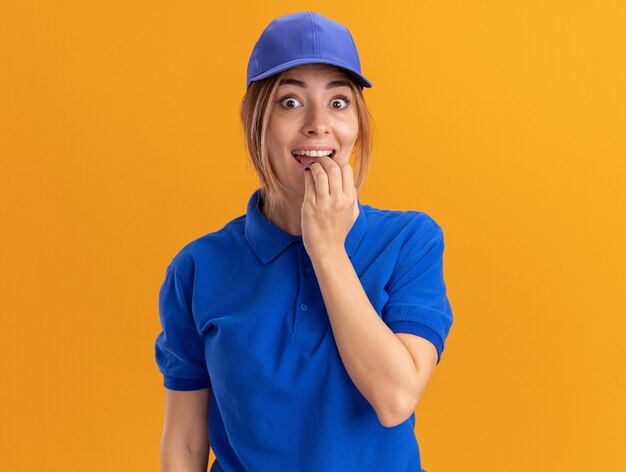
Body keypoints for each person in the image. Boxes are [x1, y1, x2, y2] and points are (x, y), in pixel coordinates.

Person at [155, 11, 454, 472]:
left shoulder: (410, 241)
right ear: (257, 121)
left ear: (358, 123)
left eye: (338, 103)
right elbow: (186, 443)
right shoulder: (198, 268)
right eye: (290, 102)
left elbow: (395, 397)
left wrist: (328, 249)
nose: (318, 124)